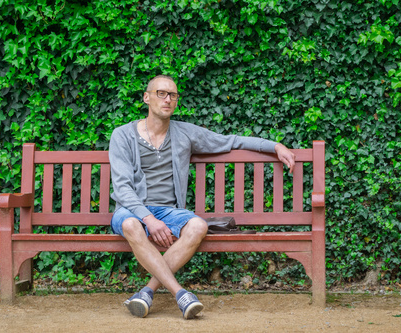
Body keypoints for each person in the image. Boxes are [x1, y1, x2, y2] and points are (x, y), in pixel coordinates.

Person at [109, 75, 296, 319]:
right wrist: (149, 220)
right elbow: (123, 188)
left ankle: (147, 292)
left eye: (173, 95)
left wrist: (274, 146)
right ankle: (180, 294)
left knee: (198, 226)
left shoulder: (185, 133)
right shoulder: (122, 135)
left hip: (168, 210)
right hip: (131, 210)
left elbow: (231, 141)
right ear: (147, 97)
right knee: (132, 224)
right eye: (161, 93)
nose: (167, 99)